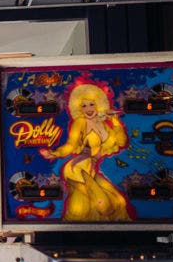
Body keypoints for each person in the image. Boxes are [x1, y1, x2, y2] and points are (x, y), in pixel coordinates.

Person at [39, 82, 130, 222]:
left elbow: (121, 142)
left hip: (91, 170)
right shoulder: (80, 123)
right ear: (78, 108)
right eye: (84, 105)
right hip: (77, 169)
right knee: (85, 209)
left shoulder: (105, 125)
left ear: (99, 104)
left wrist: (115, 120)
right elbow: (71, 145)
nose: (88, 109)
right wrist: (55, 153)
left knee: (118, 202)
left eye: (91, 104)